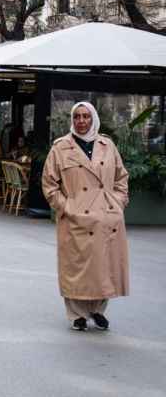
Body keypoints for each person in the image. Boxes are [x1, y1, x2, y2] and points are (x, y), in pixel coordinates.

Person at [41, 102, 129, 332]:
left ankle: (98, 310)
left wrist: (117, 203)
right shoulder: (61, 148)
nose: (81, 121)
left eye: (86, 117)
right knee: (76, 266)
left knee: (103, 266)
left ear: (93, 119)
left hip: (106, 217)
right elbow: (49, 185)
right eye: (77, 116)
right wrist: (67, 207)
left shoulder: (107, 145)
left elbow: (121, 177)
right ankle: (77, 314)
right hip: (76, 217)